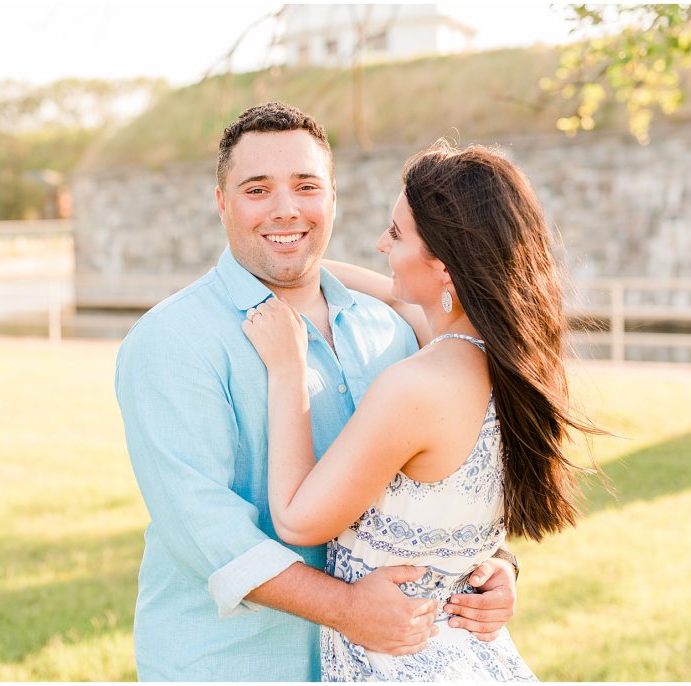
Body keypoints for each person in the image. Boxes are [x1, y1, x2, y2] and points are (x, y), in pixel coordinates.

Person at [115, 103, 519, 681]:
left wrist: (490, 567)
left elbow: (434, 477)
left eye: (306, 186)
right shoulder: (172, 341)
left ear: (333, 196)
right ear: (222, 202)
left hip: (382, 665)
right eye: (257, 189)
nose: (286, 209)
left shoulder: (394, 329)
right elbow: (205, 531)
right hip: (235, 665)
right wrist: (347, 609)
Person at [242, 140, 598, 680]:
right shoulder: (513, 362)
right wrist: (291, 261)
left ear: (446, 267)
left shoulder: (416, 387)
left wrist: (289, 371)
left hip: (407, 665)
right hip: (476, 658)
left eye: (397, 233)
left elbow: (296, 518)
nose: (381, 245)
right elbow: (393, 293)